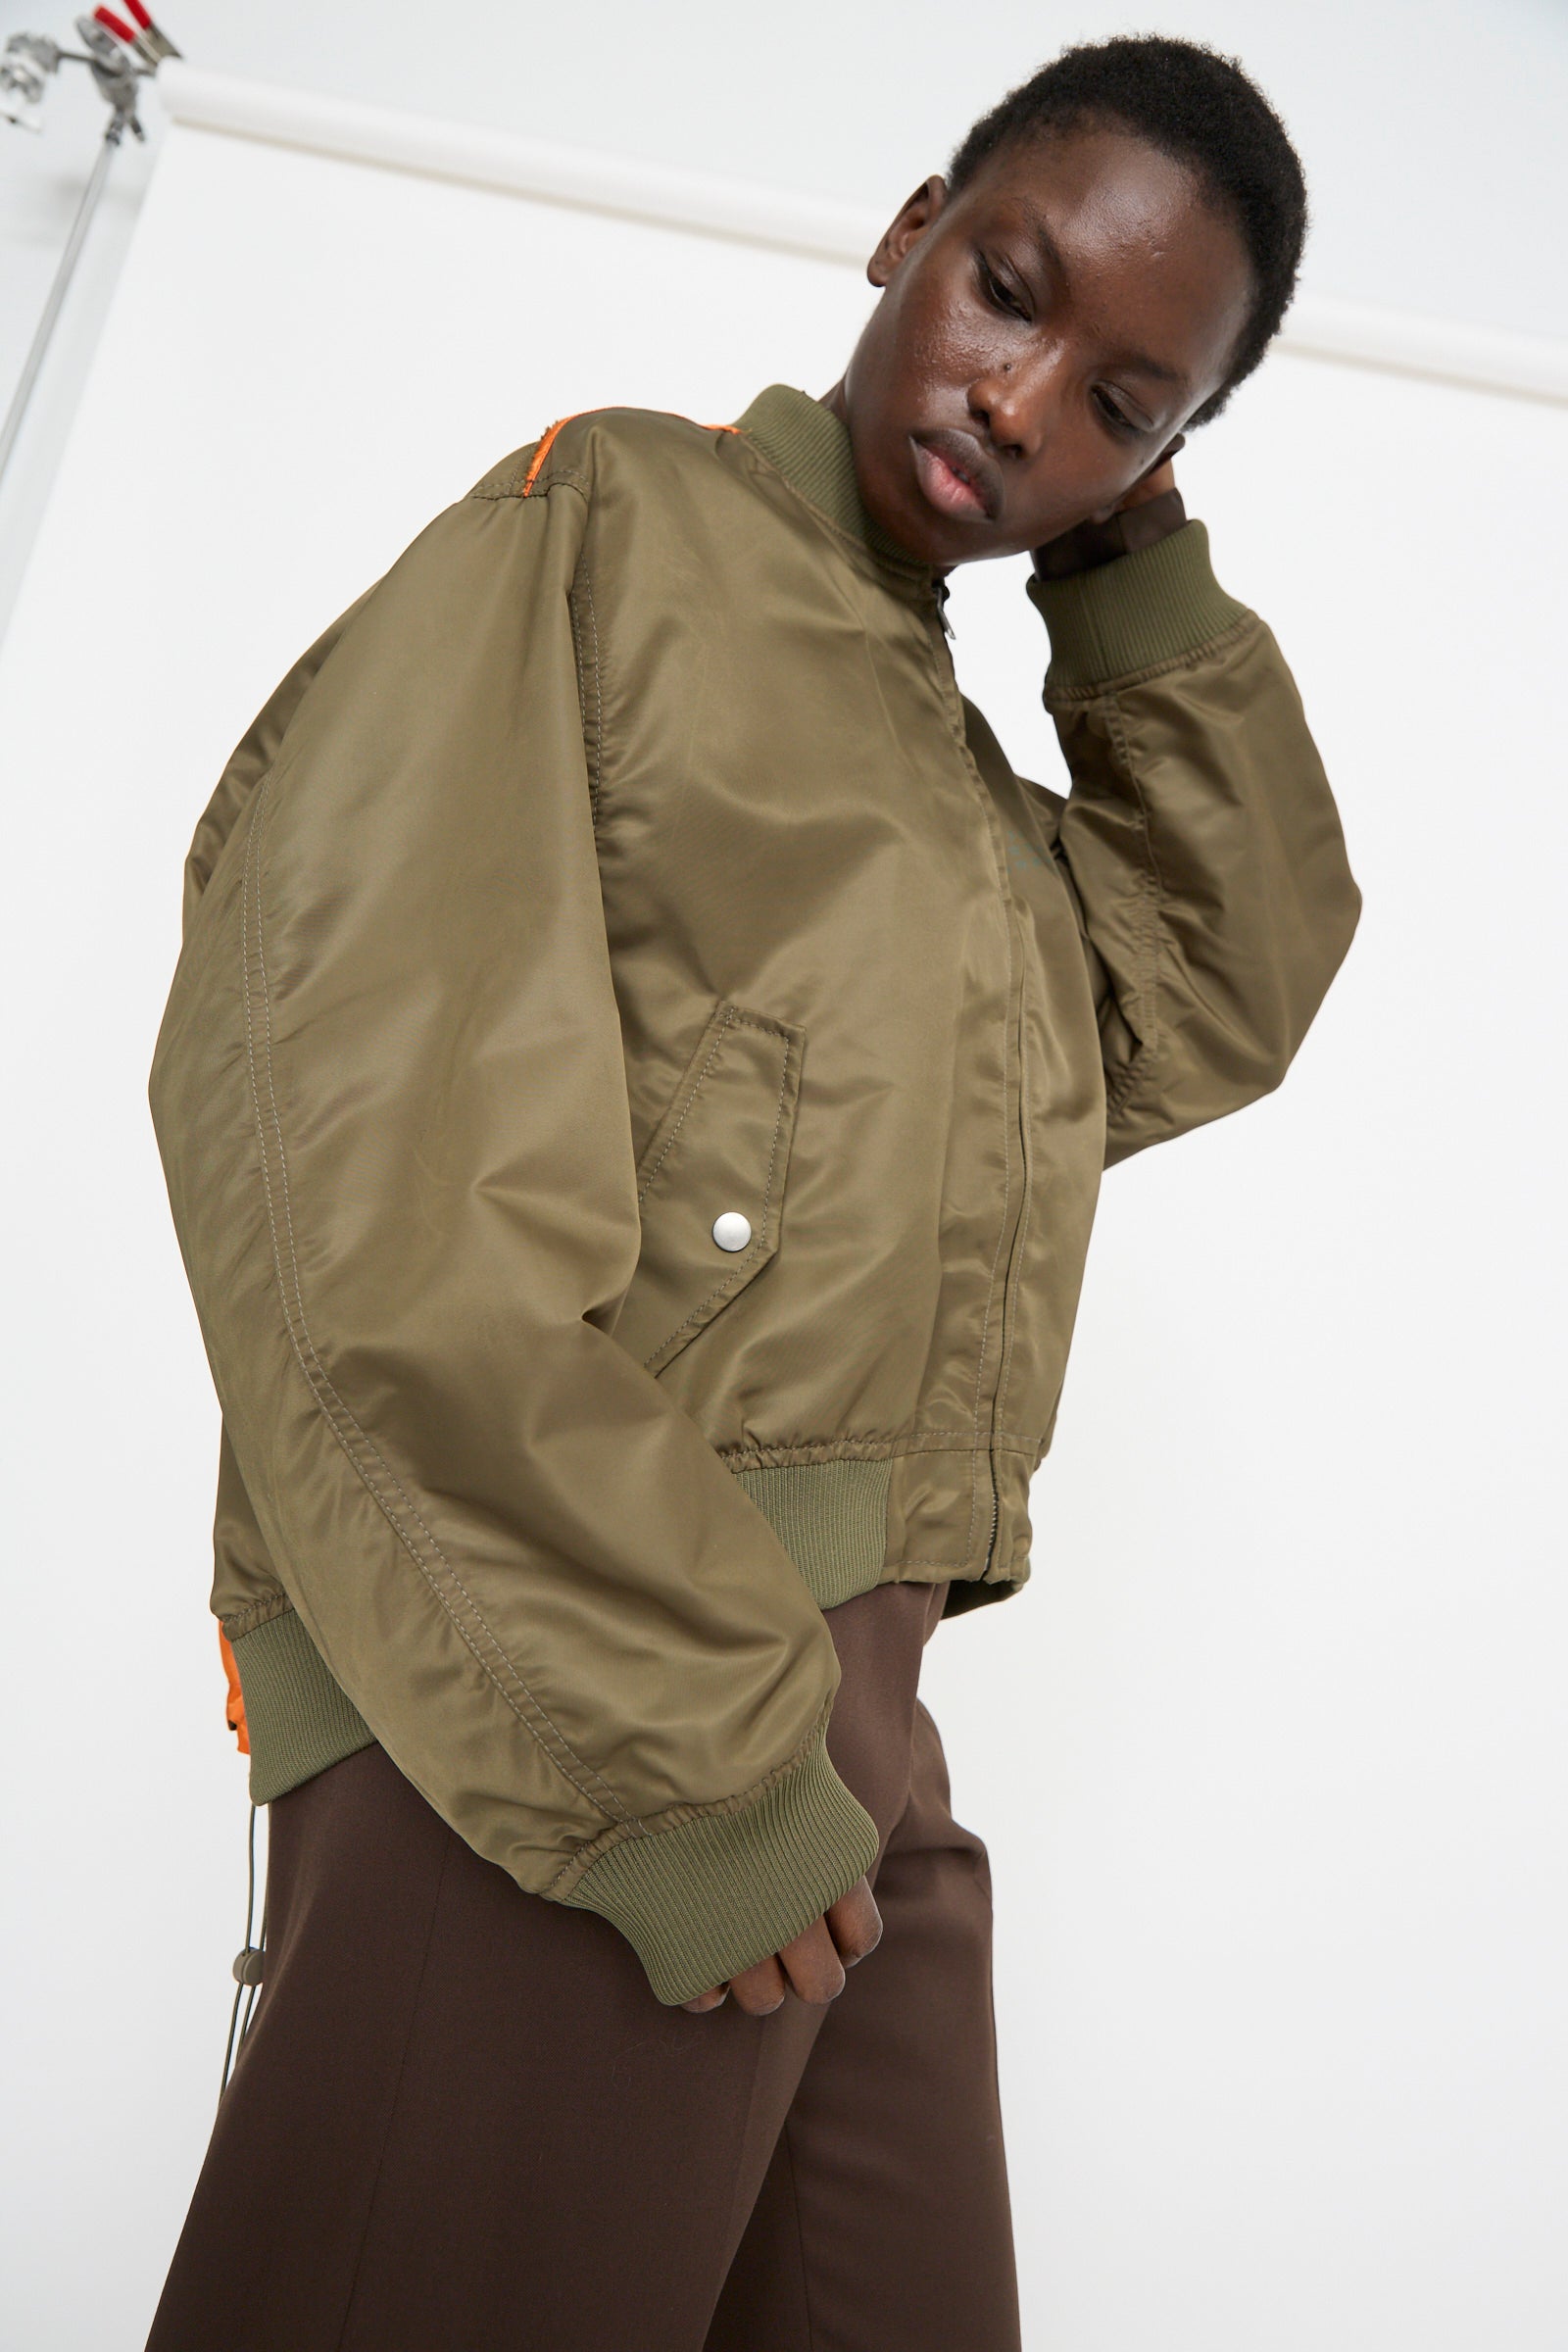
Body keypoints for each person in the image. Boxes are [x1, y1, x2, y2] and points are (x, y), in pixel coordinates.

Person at [144, 32, 1360, 2351]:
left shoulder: (960, 779)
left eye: (1123, 403)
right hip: (569, 1695)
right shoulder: (603, 527)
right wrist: (669, 1748)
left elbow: (1219, 985)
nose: (1021, 406)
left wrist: (1123, 578)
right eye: (1008, 291)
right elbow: (350, 1171)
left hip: (837, 1738)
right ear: (908, 229)